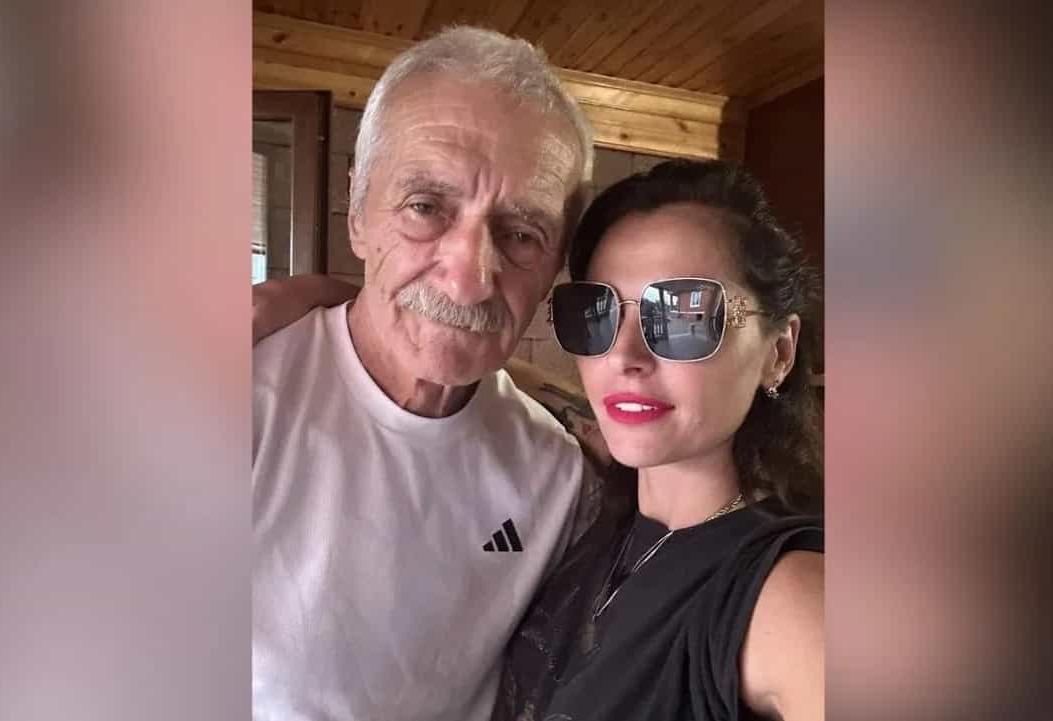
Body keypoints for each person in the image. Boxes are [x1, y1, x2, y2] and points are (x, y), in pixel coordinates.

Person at [255, 160, 825, 721]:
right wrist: (321, 300)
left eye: (682, 316)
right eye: (597, 313)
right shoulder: (589, 511)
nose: (624, 356)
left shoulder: (791, 595)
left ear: (778, 352)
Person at [251, 25, 602, 721]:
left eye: (521, 233)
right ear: (358, 214)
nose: (470, 278)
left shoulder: (560, 477)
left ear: (554, 265)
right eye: (426, 207)